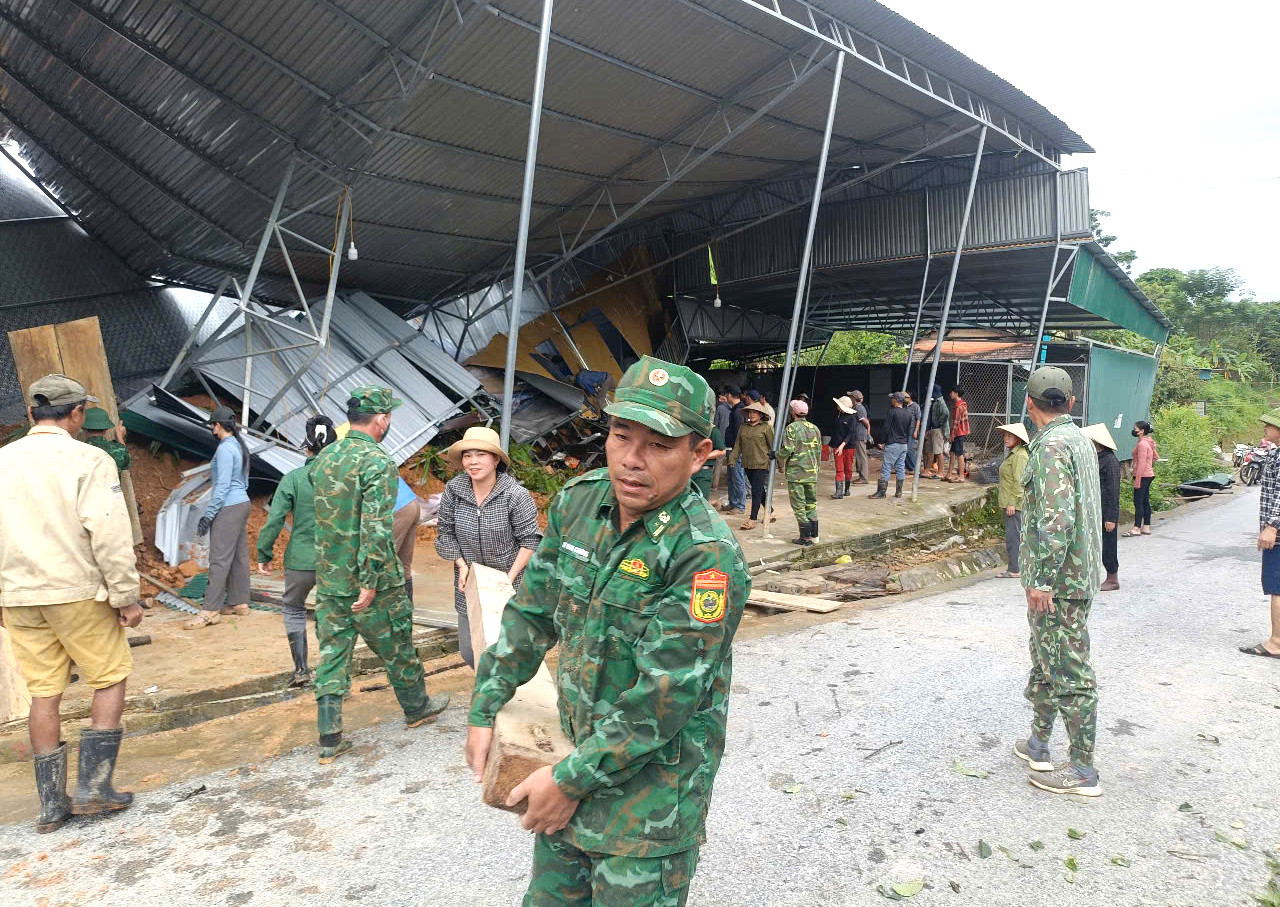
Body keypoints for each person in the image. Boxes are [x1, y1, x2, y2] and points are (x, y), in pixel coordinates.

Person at [465, 355, 749, 906]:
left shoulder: (705, 555)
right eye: (621, 436)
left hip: (647, 806)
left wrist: (569, 781)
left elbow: (663, 698)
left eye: (660, 446)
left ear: (700, 455)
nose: (632, 461)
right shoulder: (580, 502)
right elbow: (532, 614)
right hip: (569, 765)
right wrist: (485, 705)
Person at [0, 374, 144, 833]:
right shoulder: (90, 459)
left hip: (20, 596)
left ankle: (51, 806)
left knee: (44, 691)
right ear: (78, 413)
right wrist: (125, 596)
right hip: (76, 591)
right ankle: (95, 788)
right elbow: (108, 532)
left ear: (31, 415)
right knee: (110, 673)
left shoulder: (3, 460)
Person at [310, 386, 450, 763]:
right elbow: (375, 526)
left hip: (330, 578)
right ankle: (418, 707)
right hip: (371, 581)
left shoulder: (325, 458)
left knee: (332, 653)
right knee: (398, 645)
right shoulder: (377, 462)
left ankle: (329, 737)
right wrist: (370, 581)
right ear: (382, 419)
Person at [1013, 367, 1103, 797]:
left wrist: (1043, 581)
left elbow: (1057, 519)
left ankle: (1083, 771)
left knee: (1069, 672)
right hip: (1075, 575)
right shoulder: (1080, 439)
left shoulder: (1050, 447)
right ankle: (1039, 743)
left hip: (1059, 582)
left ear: (1029, 404)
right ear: (1069, 403)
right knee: (1046, 660)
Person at [434, 426, 542, 668]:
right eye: (467, 455)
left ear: (496, 460)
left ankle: (505, 700)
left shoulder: (515, 495)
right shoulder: (454, 490)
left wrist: (509, 579)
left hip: (509, 582)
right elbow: (446, 532)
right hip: (469, 580)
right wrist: (461, 565)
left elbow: (530, 540)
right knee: (470, 651)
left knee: (505, 651)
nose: (473, 462)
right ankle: (486, 692)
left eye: (481, 455)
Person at [256, 415, 337, 687]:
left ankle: (301, 670)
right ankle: (333, 676)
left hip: (300, 560)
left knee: (293, 608)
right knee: (334, 612)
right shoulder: (345, 478)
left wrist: (264, 554)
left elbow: (275, 520)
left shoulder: (293, 478)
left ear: (307, 448)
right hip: (336, 560)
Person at [185, 406, 252, 629]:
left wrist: (209, 514)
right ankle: (239, 603)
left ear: (218, 426)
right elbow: (243, 480)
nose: (212, 429)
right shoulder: (239, 446)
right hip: (242, 502)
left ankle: (210, 610)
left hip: (228, 506)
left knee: (220, 558)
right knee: (239, 555)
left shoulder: (225, 449)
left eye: (212, 425)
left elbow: (222, 486)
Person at [1240, 407, 1280, 659]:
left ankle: (1276, 642)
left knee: (1277, 586)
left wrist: (1272, 526)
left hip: (1278, 531)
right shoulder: (1275, 454)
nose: (1265, 428)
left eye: (1269, 425)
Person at [774, 399, 821, 545]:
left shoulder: (791, 428)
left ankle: (804, 538)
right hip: (812, 473)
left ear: (793, 412)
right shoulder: (815, 428)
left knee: (799, 505)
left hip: (797, 473)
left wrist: (775, 454)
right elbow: (819, 451)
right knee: (811, 503)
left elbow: (788, 450)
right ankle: (814, 536)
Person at [1084, 424, 1121, 592]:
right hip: (1094, 509)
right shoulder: (1094, 458)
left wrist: (1111, 517)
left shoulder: (1110, 460)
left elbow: (1113, 490)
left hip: (1106, 510)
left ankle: (1112, 578)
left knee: (1108, 545)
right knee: (1093, 545)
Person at [727, 401, 774, 530]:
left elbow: (773, 447)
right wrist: (732, 459)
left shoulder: (766, 428)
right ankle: (771, 511)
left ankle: (752, 519)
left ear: (760, 415)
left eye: (755, 412)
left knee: (755, 492)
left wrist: (780, 464)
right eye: (750, 412)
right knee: (758, 489)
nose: (752, 414)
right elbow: (738, 445)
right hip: (747, 463)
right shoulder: (743, 427)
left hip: (761, 463)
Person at [995, 422, 1029, 578]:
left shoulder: (1020, 456)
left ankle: (1015, 569)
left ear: (1018, 438)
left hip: (1014, 505)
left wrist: (1012, 503)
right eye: (1005, 436)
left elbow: (1020, 482)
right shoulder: (1014, 454)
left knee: (1013, 537)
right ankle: (1015, 567)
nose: (1005, 439)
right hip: (1010, 502)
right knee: (1013, 536)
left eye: (1009, 436)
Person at [871, 392, 913, 499]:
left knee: (886, 467)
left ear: (896, 400)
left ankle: (881, 492)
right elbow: (909, 430)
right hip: (903, 444)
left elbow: (886, 428)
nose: (891, 400)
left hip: (892, 444)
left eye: (892, 398)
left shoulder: (892, 412)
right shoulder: (909, 413)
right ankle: (899, 492)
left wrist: (881, 441)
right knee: (900, 467)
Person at [1127, 420, 1157, 537]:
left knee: (1138, 502)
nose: (1134, 431)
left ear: (1142, 431)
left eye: (1136, 429)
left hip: (1142, 475)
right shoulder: (1149, 442)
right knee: (1145, 501)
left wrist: (1137, 480)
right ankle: (1146, 527)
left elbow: (1141, 464)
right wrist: (1149, 465)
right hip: (1148, 474)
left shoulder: (1142, 445)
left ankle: (1136, 528)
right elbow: (1156, 457)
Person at [721, 386, 747, 515]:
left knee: (737, 477)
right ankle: (733, 502)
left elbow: (739, 432)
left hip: (736, 450)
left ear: (730, 395)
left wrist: (737, 450)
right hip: (732, 448)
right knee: (732, 477)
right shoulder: (736, 409)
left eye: (727, 395)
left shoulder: (738, 411)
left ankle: (739, 505)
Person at [80, 407, 130, 473]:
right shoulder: (116, 450)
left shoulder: (77, 450)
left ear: (83, 428)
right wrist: (120, 437)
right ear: (107, 429)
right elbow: (126, 462)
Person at [830, 395, 858, 498]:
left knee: (848, 468)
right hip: (837, 446)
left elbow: (850, 434)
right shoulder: (837, 416)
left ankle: (846, 490)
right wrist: (831, 445)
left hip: (848, 446)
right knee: (839, 468)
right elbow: (834, 432)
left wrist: (842, 445)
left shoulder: (852, 418)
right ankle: (839, 492)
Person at [692, 424, 727, 500]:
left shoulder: (712, 430)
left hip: (703, 472)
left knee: (701, 501)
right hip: (684, 471)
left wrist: (704, 456)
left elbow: (722, 450)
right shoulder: (684, 426)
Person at [924, 384, 950, 479]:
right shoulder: (935, 401)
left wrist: (939, 423)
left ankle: (940, 472)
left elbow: (946, 413)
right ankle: (926, 470)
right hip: (933, 429)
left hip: (938, 429)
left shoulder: (940, 403)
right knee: (930, 450)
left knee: (939, 452)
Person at [945, 387, 970, 482]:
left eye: (951, 392)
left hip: (959, 432)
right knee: (952, 452)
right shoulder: (960, 404)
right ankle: (949, 474)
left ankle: (961, 476)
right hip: (959, 431)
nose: (950, 394)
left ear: (956, 393)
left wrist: (952, 435)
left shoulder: (959, 406)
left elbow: (956, 422)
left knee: (959, 454)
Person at [902, 390, 922, 475]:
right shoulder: (906, 406)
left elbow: (918, 419)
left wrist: (916, 431)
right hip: (905, 429)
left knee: (909, 449)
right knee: (905, 449)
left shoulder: (915, 406)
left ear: (910, 397)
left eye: (906, 397)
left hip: (911, 429)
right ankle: (910, 467)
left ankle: (914, 467)